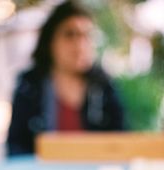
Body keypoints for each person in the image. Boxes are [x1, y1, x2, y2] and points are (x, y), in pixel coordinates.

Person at [7, 0, 125, 156]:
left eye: (86, 35)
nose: (80, 45)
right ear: (50, 41)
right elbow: (15, 146)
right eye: (70, 35)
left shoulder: (104, 87)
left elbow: (121, 142)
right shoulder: (29, 86)